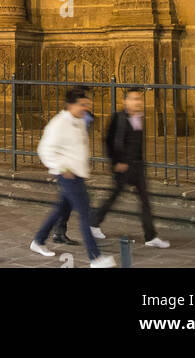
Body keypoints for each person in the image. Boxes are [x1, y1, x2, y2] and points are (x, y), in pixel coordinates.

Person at [31, 86, 115, 267]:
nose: (86, 108)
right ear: (71, 105)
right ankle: (95, 258)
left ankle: (38, 241)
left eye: (88, 104)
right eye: (83, 104)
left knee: (60, 209)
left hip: (77, 174)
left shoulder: (79, 120)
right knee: (85, 214)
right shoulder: (59, 123)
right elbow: (44, 150)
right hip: (68, 175)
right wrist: (61, 168)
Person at [90, 87, 170, 249]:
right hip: (123, 167)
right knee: (114, 197)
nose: (137, 102)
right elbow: (108, 141)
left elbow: (137, 144)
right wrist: (116, 162)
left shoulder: (140, 118)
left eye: (139, 99)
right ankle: (93, 223)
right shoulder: (118, 118)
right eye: (133, 99)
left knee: (145, 201)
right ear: (125, 101)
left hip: (137, 166)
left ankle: (150, 236)